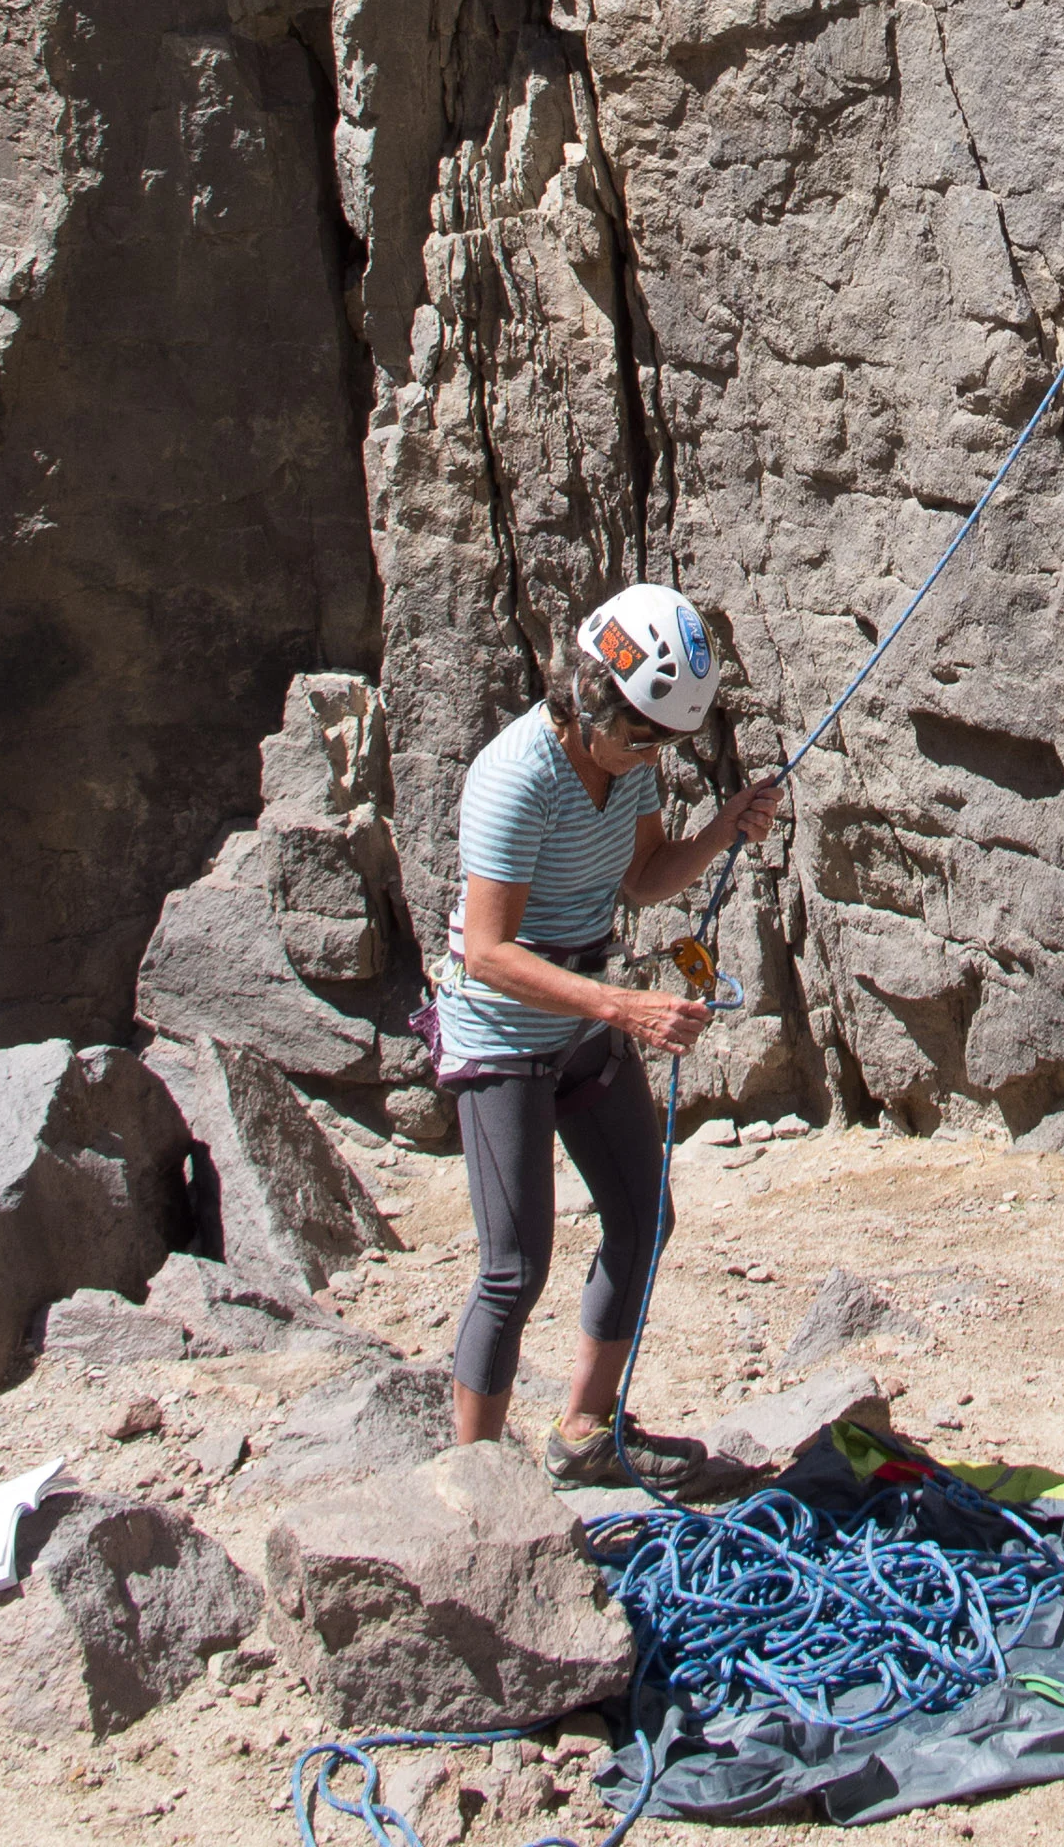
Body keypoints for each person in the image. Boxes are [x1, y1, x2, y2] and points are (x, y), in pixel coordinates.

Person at [430, 582, 779, 1489]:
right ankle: (473, 1492)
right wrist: (623, 1008)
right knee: (513, 1270)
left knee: (641, 1218)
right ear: (588, 697)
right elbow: (490, 955)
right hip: (505, 1035)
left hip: (580, 1019)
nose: (649, 756)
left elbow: (644, 878)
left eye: (662, 744)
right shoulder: (514, 778)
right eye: (640, 739)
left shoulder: (628, 761)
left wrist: (721, 827)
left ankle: (585, 1430)